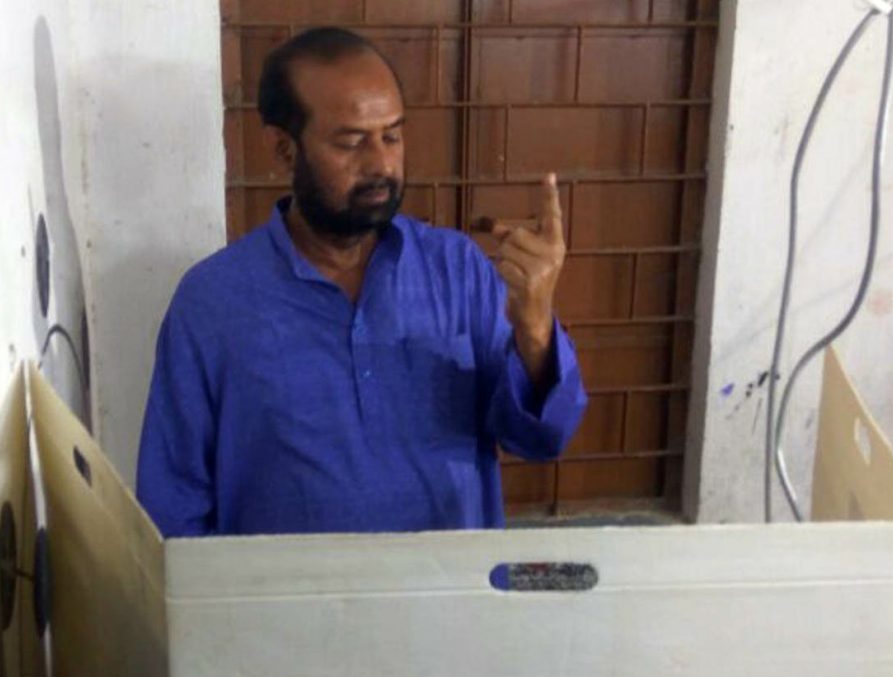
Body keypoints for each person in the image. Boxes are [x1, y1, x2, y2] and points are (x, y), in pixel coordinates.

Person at [136, 27, 587, 537]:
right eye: (350, 142)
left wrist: (534, 327)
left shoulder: (456, 270)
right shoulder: (212, 303)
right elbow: (172, 508)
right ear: (283, 150)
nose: (381, 165)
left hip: (447, 604)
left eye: (392, 136)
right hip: (285, 611)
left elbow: (543, 438)